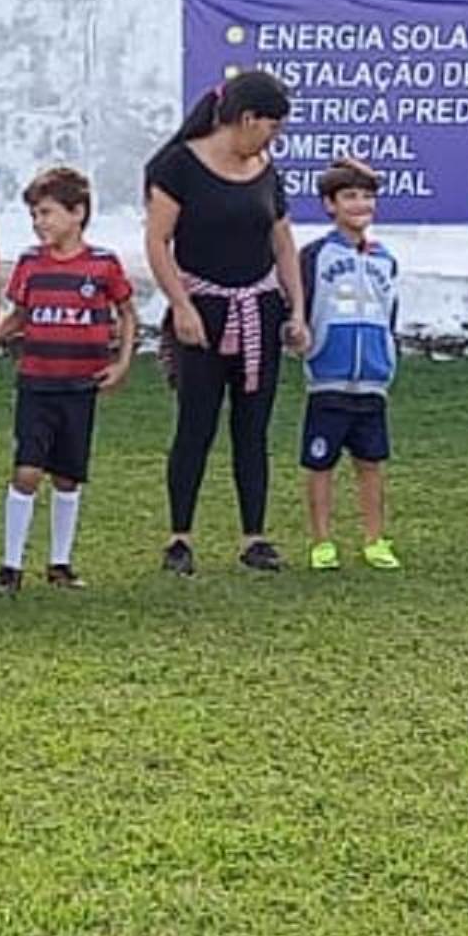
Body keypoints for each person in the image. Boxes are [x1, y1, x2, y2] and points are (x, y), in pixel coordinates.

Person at [146, 70, 306, 575]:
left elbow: (283, 242)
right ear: (248, 118)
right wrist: (181, 305)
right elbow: (157, 242)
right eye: (272, 127)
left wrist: (297, 309)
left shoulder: (265, 168)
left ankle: (254, 536)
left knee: (252, 426)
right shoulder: (179, 166)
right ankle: (180, 536)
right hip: (204, 308)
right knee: (195, 423)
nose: (273, 138)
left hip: (259, 306)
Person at [0, 167, 136, 589]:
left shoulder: (103, 265)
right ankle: (10, 565)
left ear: (77, 212)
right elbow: (19, 315)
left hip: (80, 386)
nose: (39, 222)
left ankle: (60, 563)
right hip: (37, 383)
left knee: (67, 475)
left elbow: (126, 312)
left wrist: (122, 363)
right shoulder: (31, 263)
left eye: (46, 213)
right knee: (27, 471)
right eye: (34, 215)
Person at [296, 159, 407, 571]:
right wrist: (302, 338)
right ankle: (322, 541)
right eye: (349, 196)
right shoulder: (315, 255)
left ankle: (375, 539)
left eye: (367, 196)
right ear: (330, 204)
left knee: (371, 463)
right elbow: (299, 306)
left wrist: (386, 357)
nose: (360, 204)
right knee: (320, 463)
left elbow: (389, 313)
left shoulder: (385, 259)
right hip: (328, 378)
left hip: (373, 381)